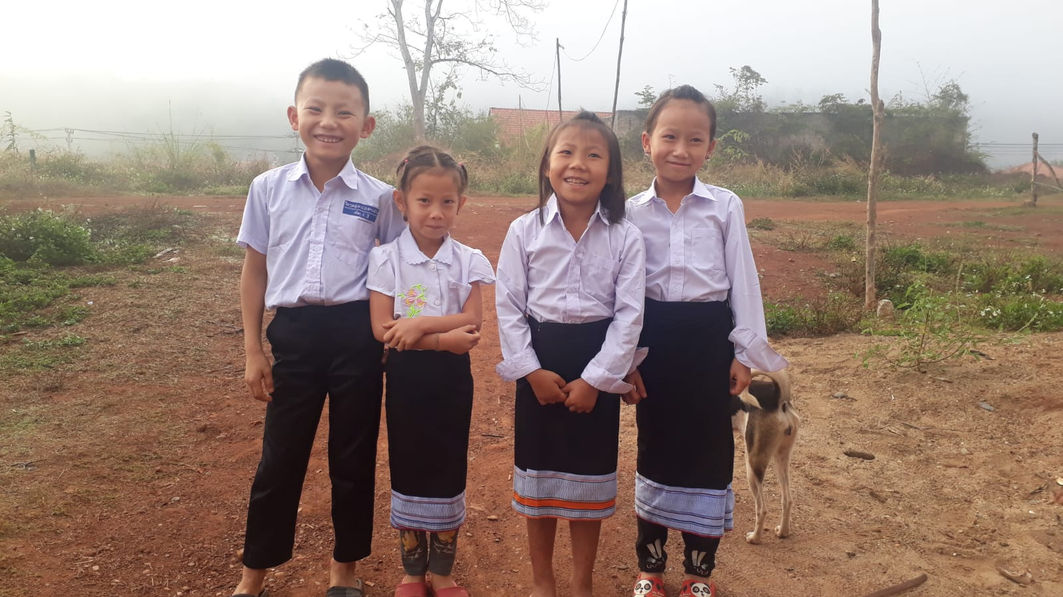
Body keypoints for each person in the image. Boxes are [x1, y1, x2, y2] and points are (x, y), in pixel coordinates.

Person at [233, 58, 404, 597]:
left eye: (345, 112)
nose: (329, 122)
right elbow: (255, 269)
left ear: (366, 125)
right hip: (295, 338)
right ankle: (253, 575)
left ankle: (344, 572)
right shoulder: (268, 188)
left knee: (352, 460)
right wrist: (253, 349)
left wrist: (395, 332)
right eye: (316, 109)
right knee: (279, 459)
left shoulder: (379, 197)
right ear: (294, 116)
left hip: (358, 338)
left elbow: (397, 270)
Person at [623, 85, 789, 597]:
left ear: (710, 147)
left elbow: (744, 279)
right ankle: (650, 568)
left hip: (708, 341)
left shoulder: (724, 206)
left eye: (695, 139)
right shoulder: (631, 212)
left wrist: (744, 352)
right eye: (669, 136)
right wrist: (625, 359)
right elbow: (623, 289)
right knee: (655, 443)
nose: (681, 149)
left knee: (710, 450)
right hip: (654, 342)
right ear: (648, 142)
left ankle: (699, 573)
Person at [495, 111, 646, 597]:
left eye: (593, 154)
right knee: (538, 485)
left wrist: (598, 379)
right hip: (540, 363)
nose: (578, 164)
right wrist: (531, 371)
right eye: (566, 152)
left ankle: (582, 584)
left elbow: (629, 316)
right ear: (546, 165)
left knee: (589, 482)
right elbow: (509, 306)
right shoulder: (524, 231)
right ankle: (544, 583)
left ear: (611, 170)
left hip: (594, 365)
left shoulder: (626, 235)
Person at [366, 146, 494, 597]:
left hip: (452, 384)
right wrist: (441, 338)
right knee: (408, 464)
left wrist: (417, 324)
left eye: (446, 202)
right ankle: (411, 575)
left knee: (447, 466)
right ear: (401, 202)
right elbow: (383, 328)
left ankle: (442, 574)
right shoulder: (386, 260)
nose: (435, 213)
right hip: (406, 381)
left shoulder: (468, 259)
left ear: (461, 204)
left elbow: (474, 321)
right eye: (424, 201)